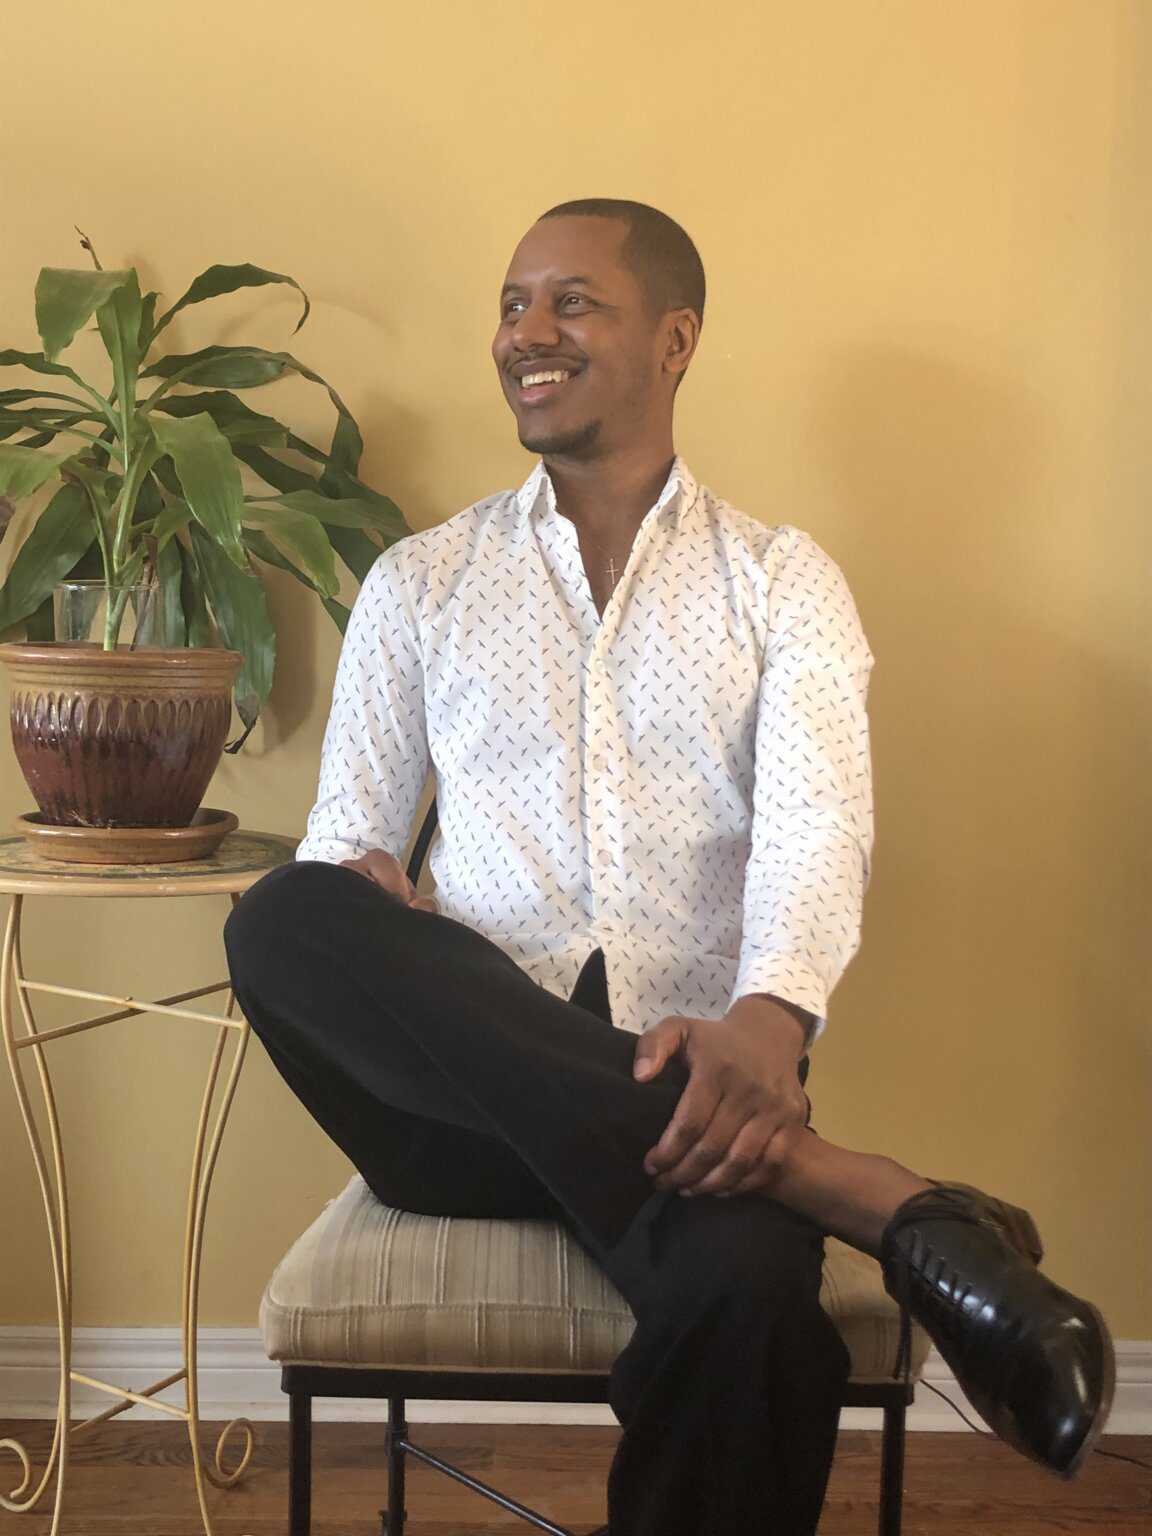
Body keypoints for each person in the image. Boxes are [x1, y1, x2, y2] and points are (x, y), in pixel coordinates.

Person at [225, 198, 1112, 1536]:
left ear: (676, 339)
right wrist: (361, 885)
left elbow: (818, 826)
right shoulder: (420, 582)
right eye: (513, 303)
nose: (526, 331)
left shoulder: (781, 582)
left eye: (571, 301)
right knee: (283, 918)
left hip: (707, 1086)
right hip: (455, 1106)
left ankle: (788, 1172)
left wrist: (770, 1021)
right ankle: (859, 1192)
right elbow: (349, 842)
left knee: (751, 1305)